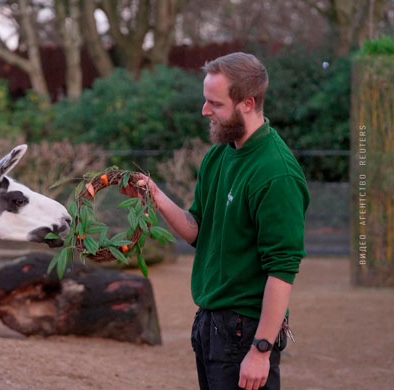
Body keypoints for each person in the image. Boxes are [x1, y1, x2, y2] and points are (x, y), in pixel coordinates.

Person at [122, 52, 309, 390]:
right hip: (210, 322)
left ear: (247, 103)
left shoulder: (276, 173)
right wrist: (155, 195)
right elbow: (197, 230)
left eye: (215, 103)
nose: (205, 111)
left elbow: (282, 270)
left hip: (246, 331)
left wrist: (261, 349)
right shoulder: (219, 155)